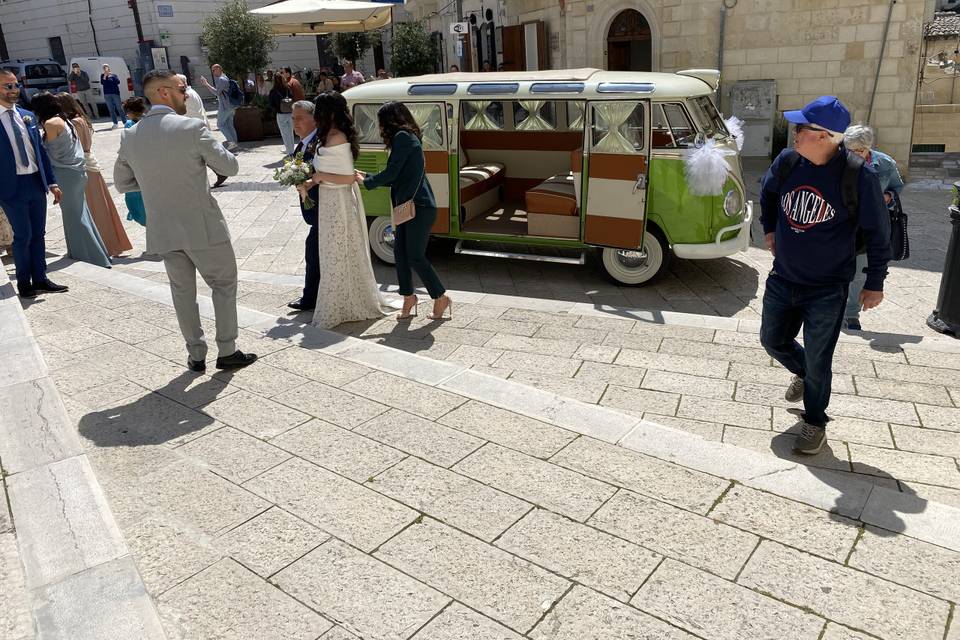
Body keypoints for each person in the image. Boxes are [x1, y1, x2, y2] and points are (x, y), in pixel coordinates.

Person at [759, 96, 890, 455]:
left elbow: (879, 233)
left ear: (825, 137)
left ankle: (815, 421)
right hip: (783, 277)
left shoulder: (857, 175)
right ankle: (805, 375)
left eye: (801, 128)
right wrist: (769, 229)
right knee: (772, 340)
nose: (795, 133)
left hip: (827, 288)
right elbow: (767, 195)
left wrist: (875, 282)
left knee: (820, 359)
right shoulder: (788, 162)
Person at [114, 70, 256, 372]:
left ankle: (196, 354)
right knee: (223, 284)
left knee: (182, 293)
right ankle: (228, 350)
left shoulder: (130, 134)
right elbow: (230, 167)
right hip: (202, 223)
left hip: (162, 226)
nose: (187, 93)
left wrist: (156, 184)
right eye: (182, 88)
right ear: (164, 92)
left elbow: (123, 183)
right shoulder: (192, 127)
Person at [296, 92, 390, 328]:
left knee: (338, 252)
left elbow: (349, 177)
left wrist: (318, 177)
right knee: (329, 252)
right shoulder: (326, 135)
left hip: (339, 202)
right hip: (327, 200)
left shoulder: (338, 137)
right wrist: (309, 182)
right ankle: (334, 300)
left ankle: (341, 303)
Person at [357, 101, 451, 321]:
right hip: (410, 206)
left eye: (380, 122)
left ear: (389, 121)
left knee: (415, 256)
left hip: (418, 206)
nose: (380, 128)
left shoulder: (402, 138)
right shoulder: (409, 137)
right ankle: (409, 298)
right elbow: (398, 175)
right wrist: (367, 176)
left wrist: (367, 181)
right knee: (400, 254)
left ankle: (440, 296)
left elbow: (392, 173)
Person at [0, 69, 68, 298]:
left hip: (35, 182)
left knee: (39, 233)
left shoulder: (26, 115)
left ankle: (40, 278)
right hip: (10, 186)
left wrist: (52, 182)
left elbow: (40, 152)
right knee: (23, 235)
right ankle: (23, 282)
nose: (14, 90)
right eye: (7, 86)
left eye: (15, 85)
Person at [31, 92, 111, 268]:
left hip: (65, 173)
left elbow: (46, 151)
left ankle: (94, 257)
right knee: (79, 214)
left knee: (75, 216)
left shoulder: (51, 123)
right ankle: (82, 252)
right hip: (76, 172)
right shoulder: (65, 120)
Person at [841, 124, 904, 331]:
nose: (854, 154)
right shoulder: (837, 161)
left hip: (869, 227)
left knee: (861, 272)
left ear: (869, 148)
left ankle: (851, 314)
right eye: (849, 149)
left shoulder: (884, 163)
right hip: (842, 225)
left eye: (859, 150)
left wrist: (888, 197)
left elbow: (897, 186)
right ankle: (832, 309)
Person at [57, 92, 132, 257]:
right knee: (100, 207)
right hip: (90, 164)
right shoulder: (81, 119)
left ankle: (106, 245)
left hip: (82, 165)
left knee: (94, 208)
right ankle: (111, 243)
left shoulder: (73, 123)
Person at [286, 100, 321, 312]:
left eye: (300, 118)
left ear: (314, 119)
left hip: (321, 208)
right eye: (293, 119)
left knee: (313, 253)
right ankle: (312, 296)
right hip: (312, 208)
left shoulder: (317, 143)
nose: (295, 123)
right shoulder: (303, 143)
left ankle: (310, 298)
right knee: (314, 253)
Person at [200, 64, 238, 151]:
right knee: (229, 124)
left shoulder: (221, 79)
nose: (213, 73)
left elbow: (216, 92)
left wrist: (206, 84)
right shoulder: (225, 77)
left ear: (219, 69)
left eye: (213, 70)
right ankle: (234, 142)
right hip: (231, 105)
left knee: (220, 124)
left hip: (225, 106)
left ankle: (231, 142)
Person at [121, 96, 147, 227]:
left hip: (136, 167)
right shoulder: (149, 121)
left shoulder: (129, 125)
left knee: (139, 205)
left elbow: (125, 148)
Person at [269, 73, 295, 156]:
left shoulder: (273, 91)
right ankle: (292, 149)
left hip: (280, 113)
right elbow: (292, 97)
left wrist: (277, 108)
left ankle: (289, 151)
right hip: (290, 112)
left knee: (285, 133)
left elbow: (271, 104)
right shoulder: (287, 88)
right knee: (290, 132)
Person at [100, 64, 124, 128]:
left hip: (115, 93)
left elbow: (118, 82)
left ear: (109, 68)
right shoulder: (102, 76)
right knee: (111, 110)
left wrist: (111, 76)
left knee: (119, 108)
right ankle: (115, 123)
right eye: (104, 68)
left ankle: (125, 122)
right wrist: (105, 76)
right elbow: (102, 83)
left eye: (106, 67)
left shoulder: (114, 75)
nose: (105, 69)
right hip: (107, 94)